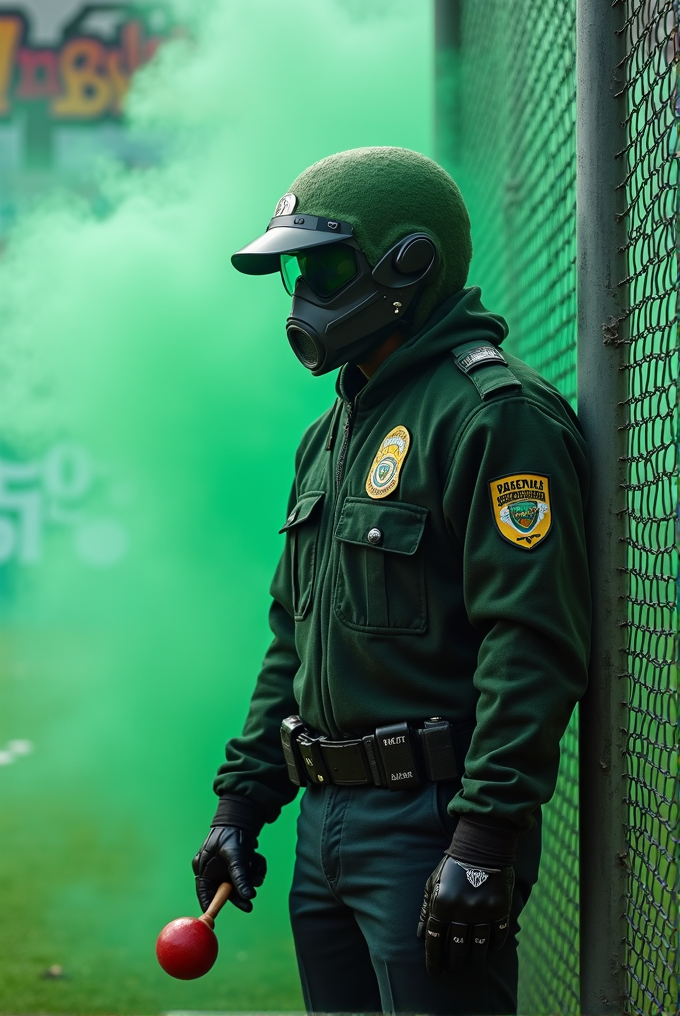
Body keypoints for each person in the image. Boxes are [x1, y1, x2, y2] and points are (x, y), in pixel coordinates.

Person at [192, 147, 590, 1016]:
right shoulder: (328, 438)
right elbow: (292, 638)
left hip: (433, 822)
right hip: (325, 824)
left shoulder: (496, 418)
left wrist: (485, 834)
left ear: (410, 261)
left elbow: (531, 644)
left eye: (326, 265)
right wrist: (242, 804)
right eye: (294, 270)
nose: (303, 294)